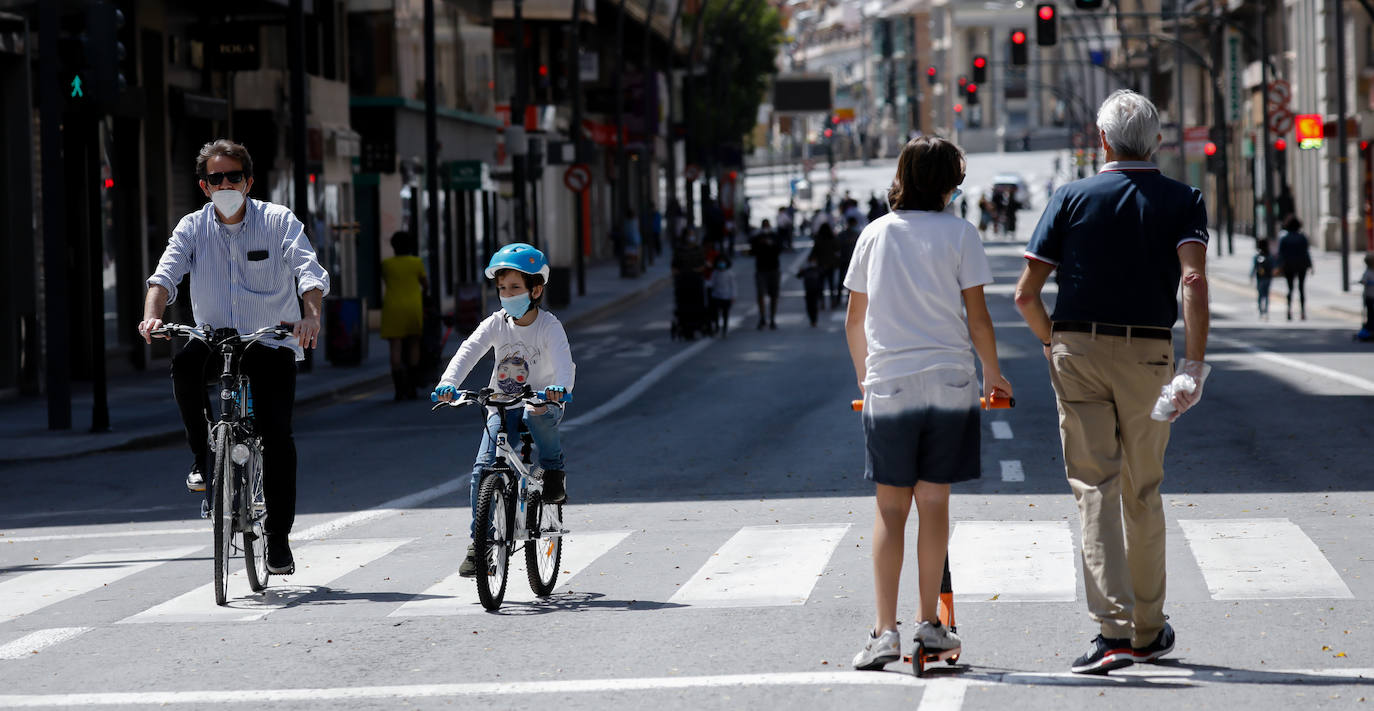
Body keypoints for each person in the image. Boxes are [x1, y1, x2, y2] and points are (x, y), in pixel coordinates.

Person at [1014, 90, 1209, 674]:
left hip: (1077, 345)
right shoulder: (1182, 199)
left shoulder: (1070, 197)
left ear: (1102, 140)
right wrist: (1193, 365)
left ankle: (1112, 631)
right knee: (1143, 490)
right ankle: (1149, 631)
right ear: (1155, 141)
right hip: (1150, 355)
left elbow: (1025, 294)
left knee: (1094, 487)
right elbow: (1193, 282)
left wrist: (1053, 343)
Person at [846, 135, 1012, 673]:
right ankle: (929, 625)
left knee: (890, 511)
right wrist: (995, 374)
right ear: (949, 184)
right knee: (934, 505)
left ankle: (883, 632)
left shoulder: (873, 235)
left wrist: (866, 382)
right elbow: (978, 318)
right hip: (949, 383)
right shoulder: (962, 234)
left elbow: (854, 320)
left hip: (888, 382)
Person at [138, 139, 330, 575]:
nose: (224, 184)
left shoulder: (278, 221)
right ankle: (202, 458)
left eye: (233, 176)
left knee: (278, 437)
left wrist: (310, 317)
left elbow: (308, 271)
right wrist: (152, 317)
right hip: (213, 337)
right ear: (204, 186)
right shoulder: (191, 227)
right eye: (215, 178)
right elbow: (164, 275)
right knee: (185, 364)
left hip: (269, 340)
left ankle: (278, 540)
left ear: (248, 181)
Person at [433, 243, 575, 577]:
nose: (506, 294)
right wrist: (448, 382)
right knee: (482, 468)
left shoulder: (549, 326)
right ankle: (479, 543)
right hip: (502, 403)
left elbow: (564, 363)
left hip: (542, 402)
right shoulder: (496, 323)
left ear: (535, 289)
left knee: (534, 415)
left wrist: (561, 389)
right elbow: (469, 351)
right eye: (501, 289)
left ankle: (553, 470)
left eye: (514, 288)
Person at [381, 231, 429, 400]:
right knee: (414, 344)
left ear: (393, 246)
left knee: (395, 347)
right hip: (412, 307)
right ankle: (413, 386)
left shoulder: (386, 264)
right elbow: (425, 284)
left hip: (392, 308)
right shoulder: (416, 262)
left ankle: (399, 389)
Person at [1277, 214, 1313, 320]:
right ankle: (1302, 312)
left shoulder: (1284, 237)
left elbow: (1280, 253)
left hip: (1288, 265)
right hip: (1302, 264)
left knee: (1290, 288)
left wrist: (1279, 266)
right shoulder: (1302, 237)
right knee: (1301, 288)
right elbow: (1306, 252)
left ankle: (1289, 310)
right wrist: (1310, 265)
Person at [749, 219, 784, 329]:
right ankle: (762, 318)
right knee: (761, 294)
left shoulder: (775, 236)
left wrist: (771, 244)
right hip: (761, 269)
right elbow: (752, 251)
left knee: (774, 295)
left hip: (774, 268)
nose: (766, 228)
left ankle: (772, 318)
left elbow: (780, 249)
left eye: (767, 226)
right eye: (764, 226)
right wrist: (760, 244)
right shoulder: (757, 238)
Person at [810, 223, 841, 308]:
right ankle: (832, 301)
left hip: (821, 265)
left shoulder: (818, 240)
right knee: (831, 284)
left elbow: (814, 252)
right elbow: (838, 248)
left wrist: (811, 260)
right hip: (831, 265)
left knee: (821, 285)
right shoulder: (832, 239)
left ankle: (822, 302)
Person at [707, 256, 737, 337]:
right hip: (716, 296)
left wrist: (733, 296)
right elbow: (711, 283)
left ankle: (724, 328)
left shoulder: (729, 273)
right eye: (719, 262)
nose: (721, 264)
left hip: (726, 296)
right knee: (716, 313)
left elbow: (733, 286)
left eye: (722, 262)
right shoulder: (715, 273)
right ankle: (716, 327)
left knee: (725, 313)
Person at [835, 216, 861, 307]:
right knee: (850, 280)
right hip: (851, 260)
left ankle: (839, 299)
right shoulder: (857, 234)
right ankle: (847, 299)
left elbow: (837, 247)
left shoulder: (842, 234)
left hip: (844, 259)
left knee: (842, 280)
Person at [1249, 239, 1274, 320]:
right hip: (1268, 277)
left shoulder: (1257, 255)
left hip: (1260, 278)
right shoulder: (1269, 255)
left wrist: (1251, 276)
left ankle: (1260, 311)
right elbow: (1272, 266)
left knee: (1260, 294)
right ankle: (1266, 311)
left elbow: (1254, 267)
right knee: (1266, 294)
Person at [797, 255, 825, 327]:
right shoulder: (806, 270)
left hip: (816, 290)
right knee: (809, 306)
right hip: (808, 291)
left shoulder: (818, 269)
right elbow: (798, 276)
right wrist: (801, 270)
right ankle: (812, 319)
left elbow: (823, 274)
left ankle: (814, 320)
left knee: (814, 305)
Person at [1359, 253, 1374, 336]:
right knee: (1370, 313)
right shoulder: (1368, 272)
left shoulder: (1369, 272)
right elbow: (1363, 280)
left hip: (1370, 296)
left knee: (1371, 313)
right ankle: (1370, 328)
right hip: (1369, 296)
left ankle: (1370, 327)